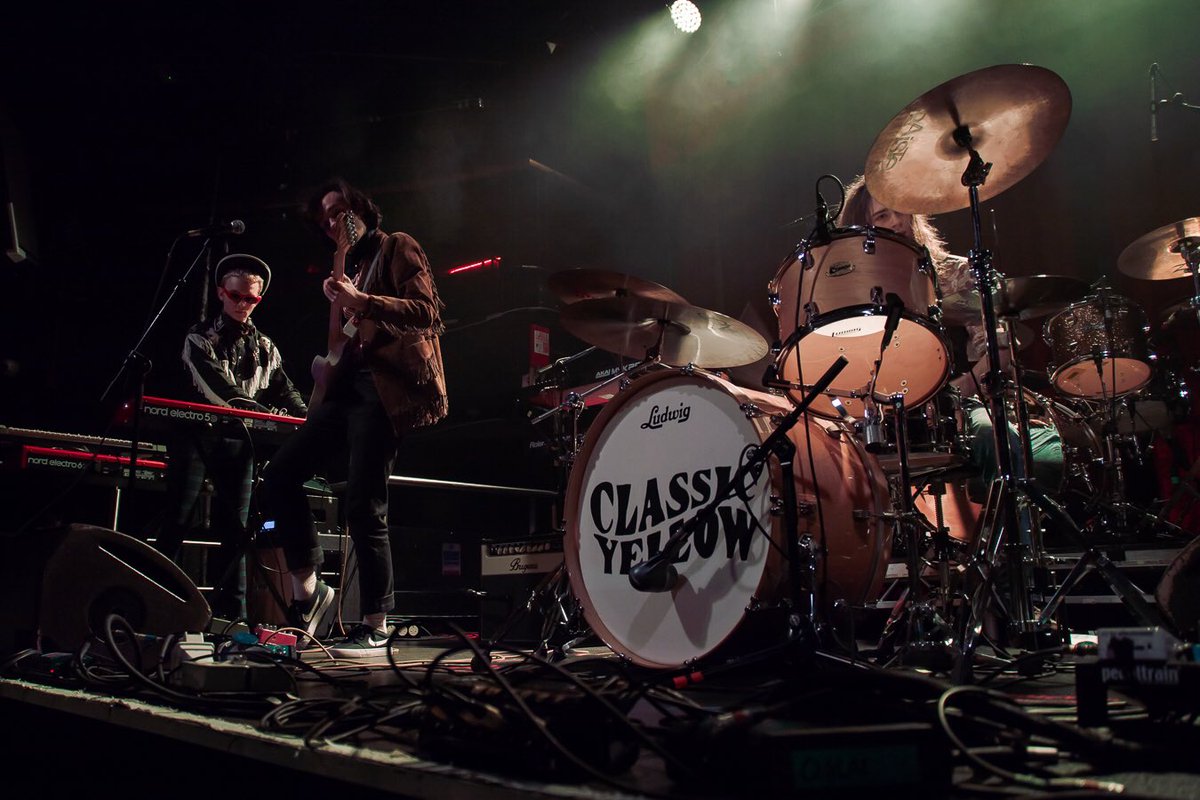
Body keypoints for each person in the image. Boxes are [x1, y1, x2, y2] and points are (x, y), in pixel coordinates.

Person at [260, 178, 448, 656]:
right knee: (280, 475)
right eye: (325, 219)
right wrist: (340, 293)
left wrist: (363, 301)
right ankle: (310, 591)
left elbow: (427, 311)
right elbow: (337, 347)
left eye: (340, 209)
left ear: (361, 208)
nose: (334, 221)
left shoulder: (395, 246)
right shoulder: (352, 267)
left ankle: (376, 623)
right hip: (346, 389)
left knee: (364, 504)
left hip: (382, 390)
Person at [836, 175, 1063, 506]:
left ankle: (1002, 535)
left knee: (993, 438)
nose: (897, 221)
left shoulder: (958, 274)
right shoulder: (854, 295)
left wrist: (955, 395)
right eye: (882, 216)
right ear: (863, 231)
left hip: (960, 405)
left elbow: (999, 354)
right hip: (883, 415)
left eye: (900, 210)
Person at [156, 253, 308, 622]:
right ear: (221, 293)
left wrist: (307, 418)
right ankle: (158, 606)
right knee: (177, 521)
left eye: (251, 299)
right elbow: (219, 388)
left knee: (237, 532)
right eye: (236, 296)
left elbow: (285, 389)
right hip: (197, 435)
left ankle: (233, 618)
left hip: (240, 443)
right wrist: (260, 413)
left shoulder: (267, 347)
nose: (243, 305)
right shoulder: (198, 337)